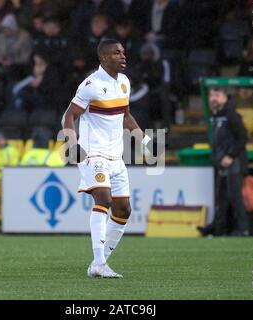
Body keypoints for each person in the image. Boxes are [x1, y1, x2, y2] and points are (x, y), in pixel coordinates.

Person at [61, 39, 157, 278]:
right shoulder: (90, 85)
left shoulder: (124, 83)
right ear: (104, 58)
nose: (123, 56)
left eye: (124, 51)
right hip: (93, 153)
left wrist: (144, 141)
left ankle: (99, 262)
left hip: (116, 156)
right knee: (103, 198)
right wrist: (72, 145)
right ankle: (100, 263)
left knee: (123, 210)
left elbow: (125, 116)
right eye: (117, 52)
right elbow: (69, 115)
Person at [197, 88, 249, 237]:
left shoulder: (231, 115)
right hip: (221, 163)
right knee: (221, 199)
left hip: (234, 163)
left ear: (225, 98)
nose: (213, 98)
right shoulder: (216, 115)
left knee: (235, 197)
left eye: (217, 95)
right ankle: (217, 228)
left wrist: (231, 156)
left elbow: (243, 137)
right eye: (211, 95)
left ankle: (243, 229)